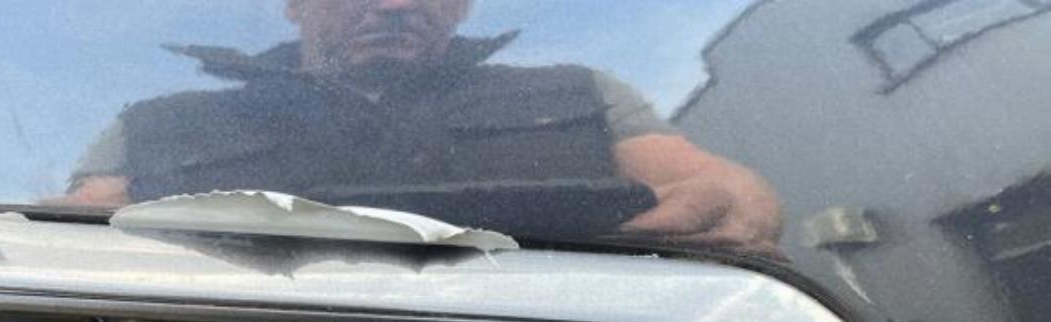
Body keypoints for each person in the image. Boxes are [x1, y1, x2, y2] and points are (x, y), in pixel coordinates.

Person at [65, 0, 782, 254]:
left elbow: (699, 177)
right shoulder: (157, 124)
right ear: (295, 3)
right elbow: (80, 225)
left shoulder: (581, 93)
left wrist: (737, 197)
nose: (396, 4)